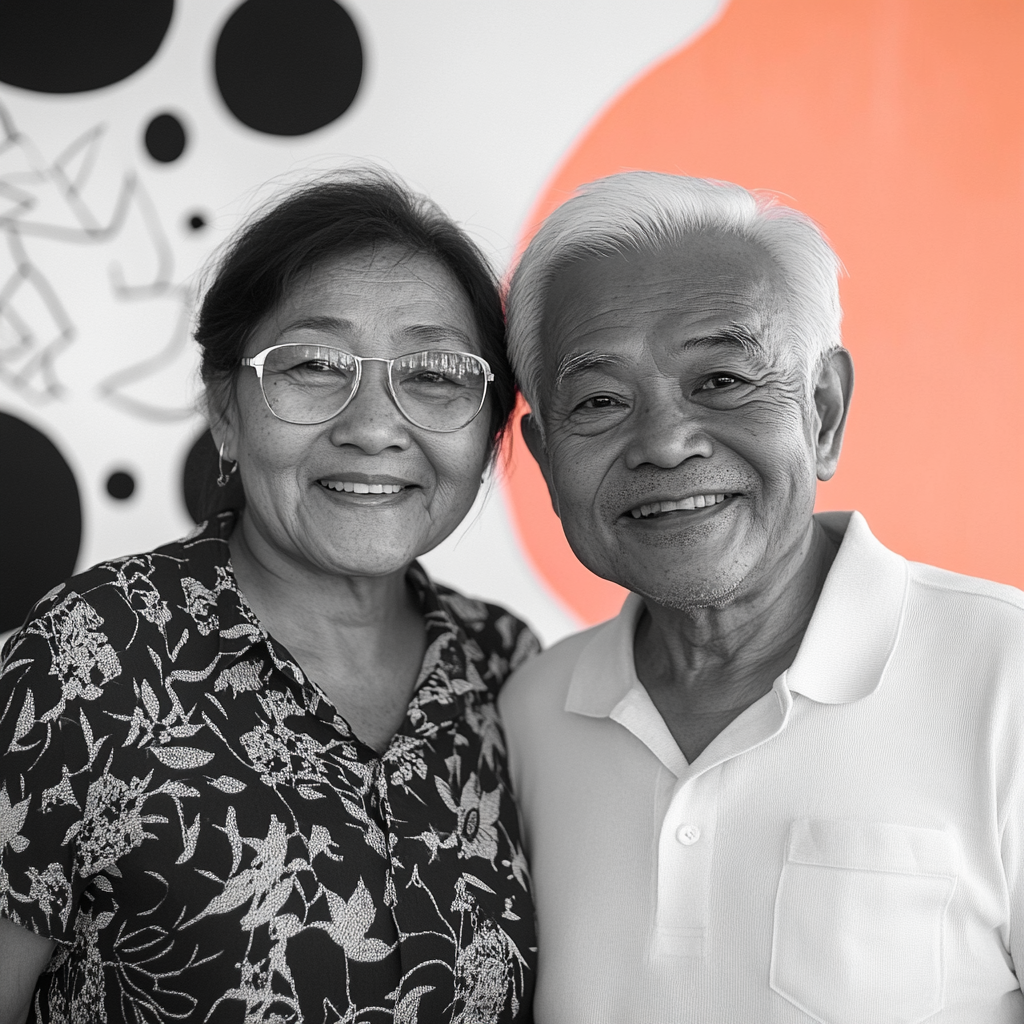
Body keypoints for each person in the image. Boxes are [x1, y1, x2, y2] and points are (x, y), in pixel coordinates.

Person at [0, 171, 538, 1024]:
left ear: (489, 427)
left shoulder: (508, 668)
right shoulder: (92, 655)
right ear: (225, 411)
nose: (372, 424)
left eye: (435, 374)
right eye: (315, 366)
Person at [498, 171, 1024, 1022]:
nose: (665, 443)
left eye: (722, 381)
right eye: (599, 400)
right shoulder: (528, 716)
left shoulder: (1006, 677)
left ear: (823, 410)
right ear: (547, 456)